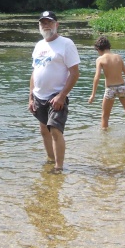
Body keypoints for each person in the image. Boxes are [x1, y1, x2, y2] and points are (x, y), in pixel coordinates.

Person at [28, 11, 80, 173]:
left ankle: (58, 167)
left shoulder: (66, 44)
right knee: (43, 130)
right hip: (39, 95)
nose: (46, 25)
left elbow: (74, 73)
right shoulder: (39, 45)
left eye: (49, 22)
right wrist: (30, 97)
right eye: (42, 23)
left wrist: (62, 96)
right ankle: (50, 160)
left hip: (56, 96)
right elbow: (34, 72)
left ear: (56, 25)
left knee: (55, 129)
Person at [87, 36, 125, 134]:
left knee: (105, 116)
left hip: (110, 89)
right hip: (122, 87)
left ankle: (105, 139)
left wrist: (93, 95)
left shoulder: (100, 59)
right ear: (109, 46)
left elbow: (96, 77)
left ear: (98, 49)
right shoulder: (118, 57)